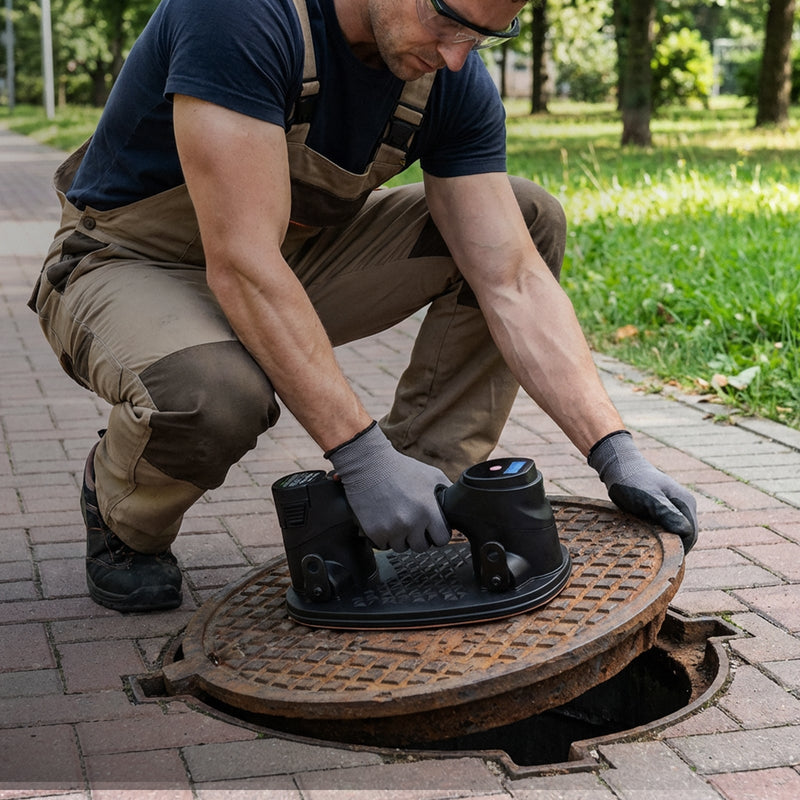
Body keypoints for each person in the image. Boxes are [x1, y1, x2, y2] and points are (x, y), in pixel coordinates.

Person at [29, 0, 697, 614]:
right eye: (448, 21)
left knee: (527, 217)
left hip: (284, 259)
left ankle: (420, 490)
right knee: (214, 393)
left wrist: (614, 451)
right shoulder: (239, 16)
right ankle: (123, 518)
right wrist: (359, 455)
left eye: (483, 37)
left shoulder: (447, 77)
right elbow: (242, 263)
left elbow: (512, 279)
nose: (457, 56)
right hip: (129, 261)